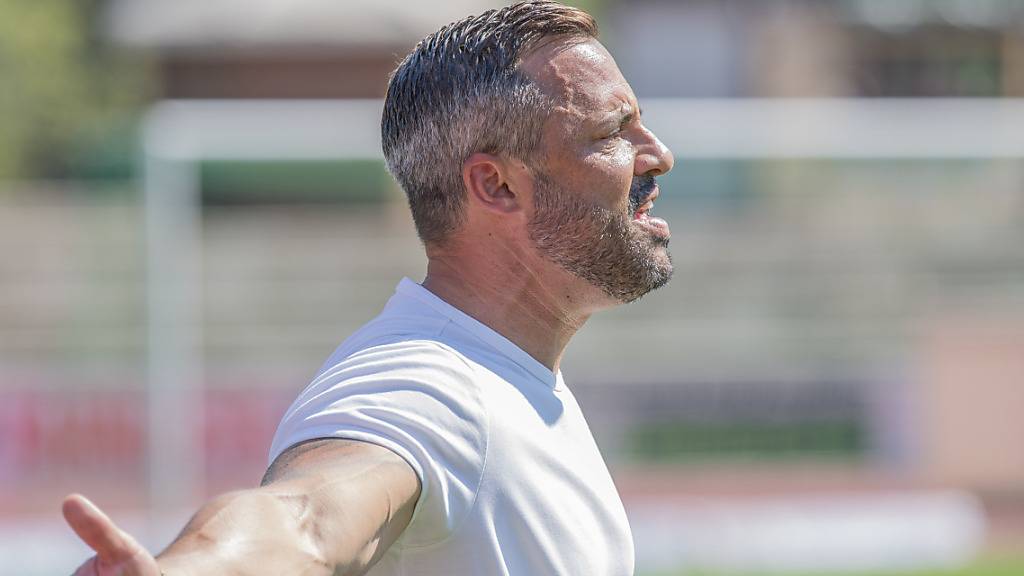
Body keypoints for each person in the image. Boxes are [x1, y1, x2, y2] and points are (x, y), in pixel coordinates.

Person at [62, 1, 674, 574]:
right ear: (497, 186)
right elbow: (304, 518)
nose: (659, 155)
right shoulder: (428, 386)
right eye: (612, 133)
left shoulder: (507, 377)